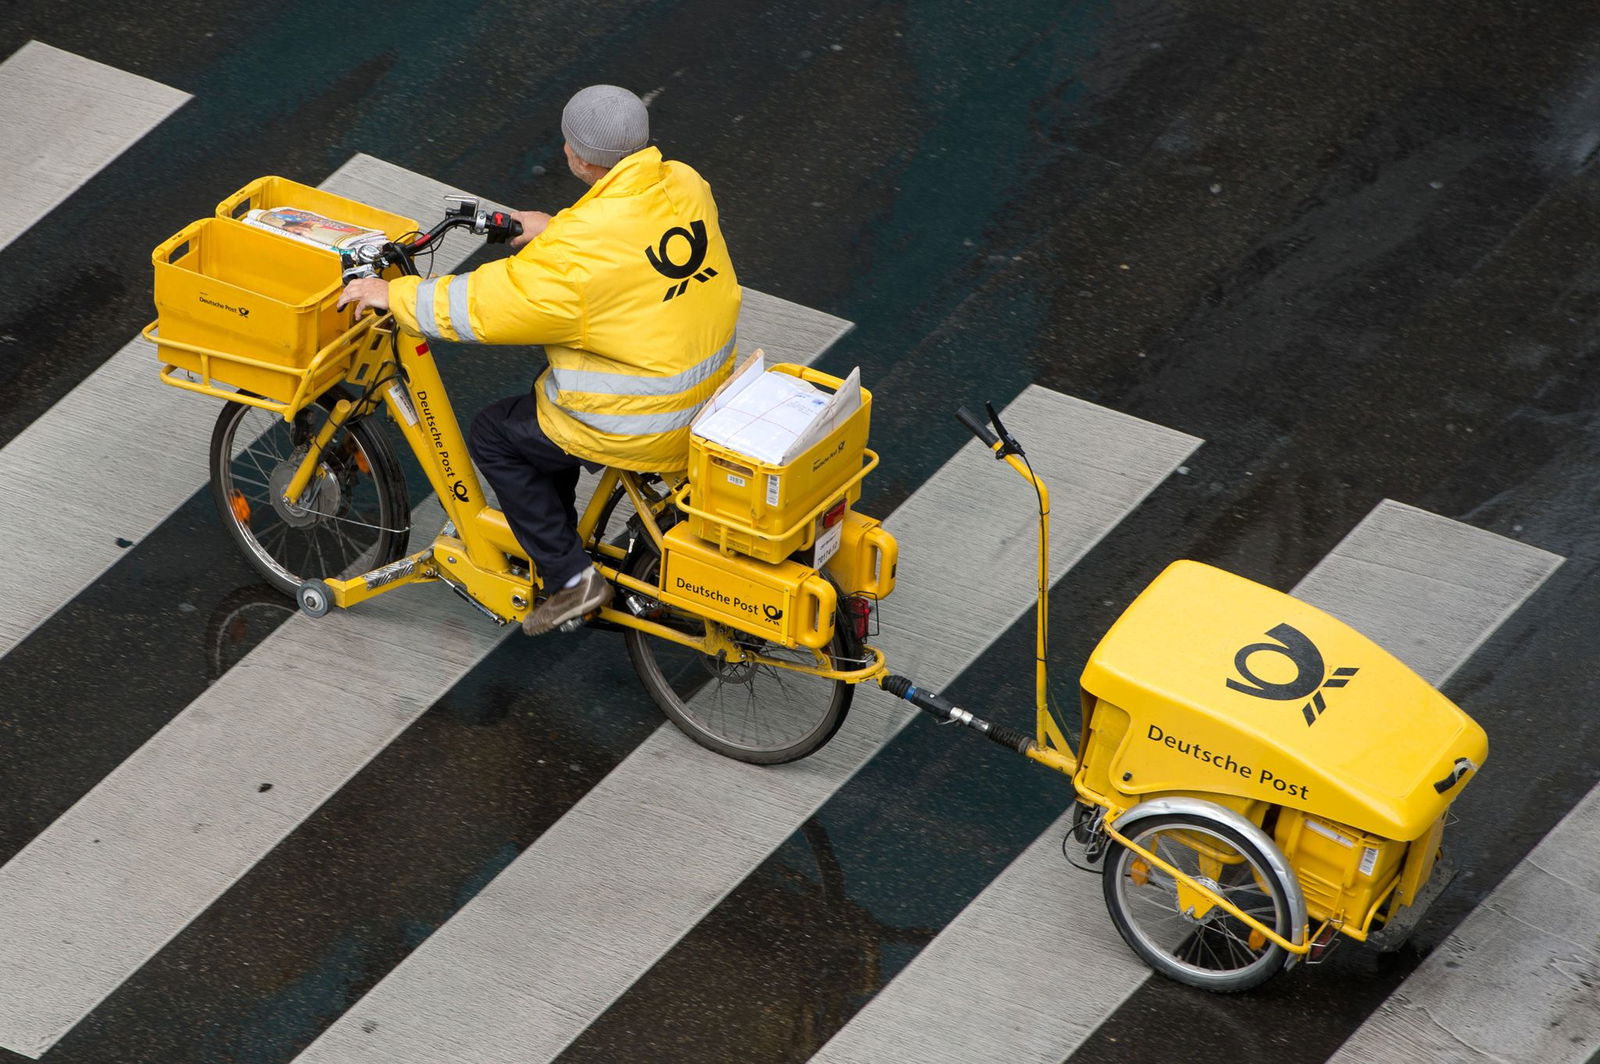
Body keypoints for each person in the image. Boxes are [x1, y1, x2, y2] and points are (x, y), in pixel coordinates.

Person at [338, 84, 742, 636]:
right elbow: (625, 251)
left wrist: (396, 296)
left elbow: (490, 307)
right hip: (712, 390)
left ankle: (571, 578)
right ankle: (554, 540)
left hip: (644, 418)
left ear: (578, 155)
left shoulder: (577, 250)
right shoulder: (684, 183)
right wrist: (553, 229)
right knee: (543, 404)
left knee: (494, 434)